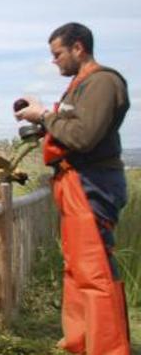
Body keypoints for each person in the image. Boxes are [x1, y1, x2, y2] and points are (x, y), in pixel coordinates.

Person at [15, 22, 131, 355]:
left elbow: (83, 135)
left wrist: (43, 118)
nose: (55, 62)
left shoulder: (103, 82)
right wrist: (45, 113)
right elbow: (72, 124)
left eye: (58, 54)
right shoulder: (80, 86)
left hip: (91, 184)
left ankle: (108, 349)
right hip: (75, 183)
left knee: (94, 272)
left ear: (78, 47)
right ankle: (81, 341)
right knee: (77, 267)